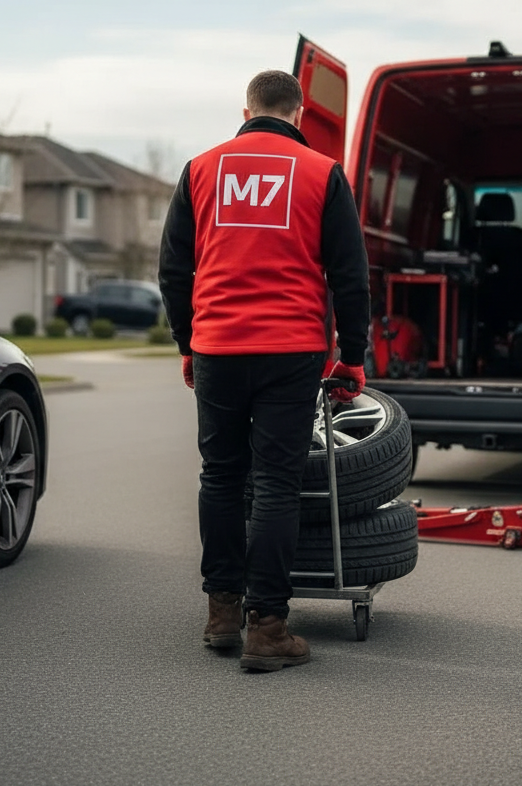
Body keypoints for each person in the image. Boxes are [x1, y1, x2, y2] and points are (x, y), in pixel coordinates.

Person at [158, 69, 370, 672]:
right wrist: (350, 355)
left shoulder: (201, 169)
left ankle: (221, 613)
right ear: (299, 114)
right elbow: (350, 276)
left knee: (220, 477)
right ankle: (268, 627)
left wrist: (188, 343)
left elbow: (174, 269)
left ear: (246, 108)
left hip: (218, 346)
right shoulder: (322, 172)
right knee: (276, 483)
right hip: (291, 350)